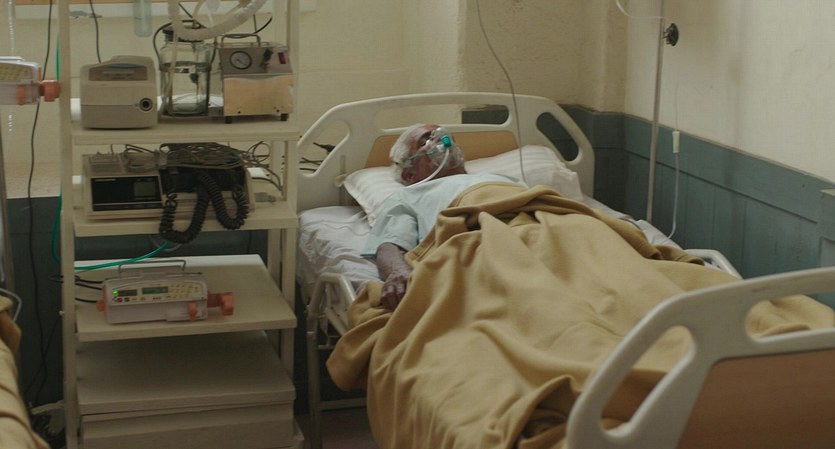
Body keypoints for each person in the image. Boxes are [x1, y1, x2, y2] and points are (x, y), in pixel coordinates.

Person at [362, 123, 526, 309]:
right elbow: (390, 244)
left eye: (445, 137)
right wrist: (398, 272)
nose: (440, 140)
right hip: (477, 246)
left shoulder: (503, 179)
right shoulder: (409, 195)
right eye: (425, 141)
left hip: (531, 231)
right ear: (410, 175)